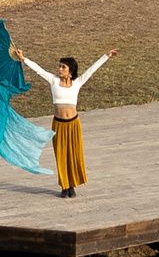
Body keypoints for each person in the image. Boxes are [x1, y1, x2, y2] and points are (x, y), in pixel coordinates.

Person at [14, 49, 112, 196]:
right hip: (58, 124)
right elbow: (38, 70)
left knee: (73, 154)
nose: (60, 69)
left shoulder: (77, 83)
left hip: (73, 124)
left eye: (63, 67)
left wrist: (107, 56)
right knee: (61, 154)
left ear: (70, 71)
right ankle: (64, 186)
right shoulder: (53, 81)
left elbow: (92, 70)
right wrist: (23, 58)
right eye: (59, 66)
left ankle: (71, 185)